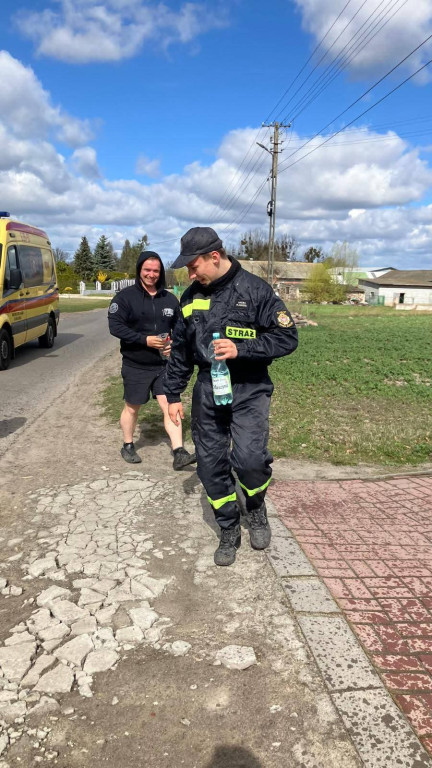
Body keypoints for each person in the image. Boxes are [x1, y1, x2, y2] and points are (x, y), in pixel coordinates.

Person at [164, 227, 298, 566]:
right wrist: (174, 393)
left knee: (251, 461)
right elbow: (180, 350)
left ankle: (255, 508)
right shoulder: (190, 297)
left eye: (193, 267)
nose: (190, 274)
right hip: (209, 388)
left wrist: (243, 348)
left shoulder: (256, 290)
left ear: (214, 256)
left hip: (250, 387)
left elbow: (287, 338)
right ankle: (227, 527)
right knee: (210, 465)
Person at [108, 250, 196, 471]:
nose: (151, 274)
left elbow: (180, 327)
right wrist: (144, 340)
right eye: (147, 270)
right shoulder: (125, 297)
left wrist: (174, 342)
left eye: (156, 270)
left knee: (170, 406)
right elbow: (115, 327)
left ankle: (179, 451)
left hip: (164, 366)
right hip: (135, 364)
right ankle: (128, 445)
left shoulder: (169, 299)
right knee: (132, 407)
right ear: (139, 270)